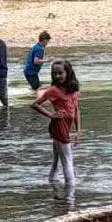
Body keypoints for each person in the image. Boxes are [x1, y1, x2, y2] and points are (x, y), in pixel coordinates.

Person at [31, 60, 82, 206]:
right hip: (58, 126)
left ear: (68, 73)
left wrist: (78, 130)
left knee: (57, 159)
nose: (58, 75)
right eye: (55, 73)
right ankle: (71, 194)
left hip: (67, 126)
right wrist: (51, 115)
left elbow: (76, 110)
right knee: (68, 159)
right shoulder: (53, 90)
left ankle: (52, 181)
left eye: (60, 73)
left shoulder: (73, 89)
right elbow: (34, 104)